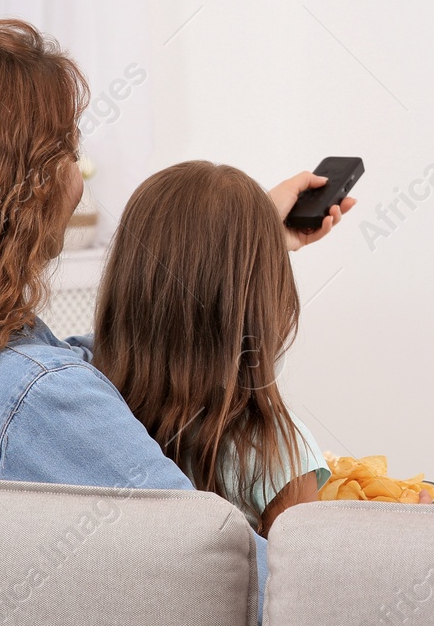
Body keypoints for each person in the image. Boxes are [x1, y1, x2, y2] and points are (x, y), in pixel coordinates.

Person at [0, 19, 351, 605]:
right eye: (68, 151)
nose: (78, 176)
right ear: (16, 192)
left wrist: (239, 242)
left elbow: (89, 359)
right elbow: (237, 581)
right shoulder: (40, 401)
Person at [90, 161, 328, 537]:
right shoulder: (276, 450)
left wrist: (257, 232)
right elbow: (301, 585)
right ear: (263, 305)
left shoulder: (95, 416)